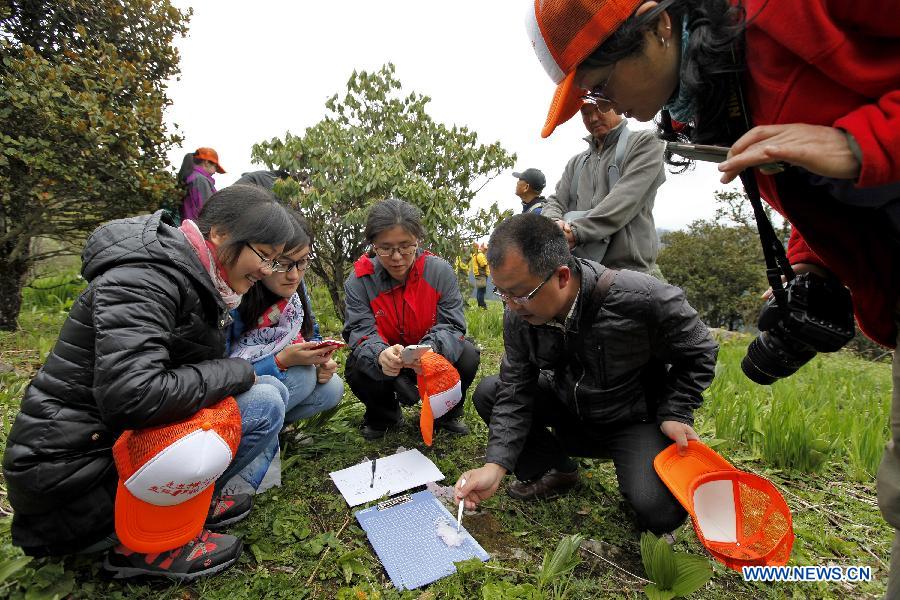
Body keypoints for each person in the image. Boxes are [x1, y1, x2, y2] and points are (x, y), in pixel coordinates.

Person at [525, 0, 899, 592]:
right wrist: (812, 272)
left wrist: (861, 146)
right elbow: (814, 185)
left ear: (658, 26)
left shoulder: (794, 12)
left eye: (603, 84)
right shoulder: (719, 95)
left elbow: (839, 144)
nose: (605, 105)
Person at [2, 185, 296, 580]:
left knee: (268, 392)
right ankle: (139, 544)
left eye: (275, 261)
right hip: (70, 486)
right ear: (222, 234)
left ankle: (183, 505)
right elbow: (133, 396)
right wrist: (237, 371)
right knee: (261, 400)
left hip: (101, 458)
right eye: (264, 255)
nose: (266, 271)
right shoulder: (146, 277)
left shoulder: (192, 274)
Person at [455, 213, 717, 538]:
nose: (510, 305)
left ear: (562, 276)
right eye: (501, 292)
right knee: (491, 392)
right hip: (571, 408)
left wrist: (676, 410)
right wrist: (495, 467)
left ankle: (641, 473)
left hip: (632, 419)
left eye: (520, 294)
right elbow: (515, 390)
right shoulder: (518, 315)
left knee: (659, 511)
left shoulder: (642, 298)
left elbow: (701, 348)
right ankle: (556, 468)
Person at [343, 198, 480, 440]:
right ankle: (384, 416)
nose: (396, 257)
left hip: (430, 356)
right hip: (389, 363)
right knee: (357, 365)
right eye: (385, 248)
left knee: (467, 355)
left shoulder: (439, 272)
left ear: (418, 241)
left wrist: (430, 351)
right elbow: (359, 330)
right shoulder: (359, 280)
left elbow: (453, 325)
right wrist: (379, 354)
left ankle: (445, 413)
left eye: (405, 246)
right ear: (373, 245)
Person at [228, 210, 344, 492]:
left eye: (302, 263)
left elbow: (309, 332)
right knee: (302, 378)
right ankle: (239, 464)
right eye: (283, 264)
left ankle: (275, 428)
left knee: (332, 388)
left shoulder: (295, 292)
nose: (294, 275)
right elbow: (222, 370)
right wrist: (280, 360)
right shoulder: (238, 293)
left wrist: (320, 358)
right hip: (233, 393)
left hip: (273, 382)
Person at [541, 101, 665, 275]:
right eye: (585, 113)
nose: (593, 118)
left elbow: (624, 200)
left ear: (617, 104)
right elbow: (555, 201)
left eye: (599, 109)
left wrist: (576, 233)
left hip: (628, 272)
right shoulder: (576, 162)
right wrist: (554, 225)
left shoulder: (645, 143)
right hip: (582, 272)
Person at [177, 147, 225, 222]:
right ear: (206, 162)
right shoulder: (200, 179)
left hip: (187, 227)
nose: (215, 171)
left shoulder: (190, 176)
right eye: (215, 167)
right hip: (198, 229)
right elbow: (207, 211)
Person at [470, 242, 490, 309]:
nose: (486, 250)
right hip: (482, 274)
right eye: (485, 249)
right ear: (482, 248)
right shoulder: (480, 254)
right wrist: (488, 262)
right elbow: (483, 264)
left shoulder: (476, 254)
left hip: (479, 274)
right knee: (481, 291)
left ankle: (480, 305)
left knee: (480, 290)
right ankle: (482, 306)